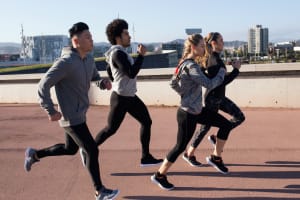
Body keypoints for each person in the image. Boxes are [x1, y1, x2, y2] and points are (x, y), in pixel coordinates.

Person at [24, 22, 119, 200]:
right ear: (76, 42)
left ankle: (34, 154)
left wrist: (102, 83)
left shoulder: (88, 59)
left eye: (91, 37)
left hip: (80, 114)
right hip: (69, 116)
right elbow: (43, 85)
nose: (91, 40)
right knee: (92, 149)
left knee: (70, 149)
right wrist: (50, 110)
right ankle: (99, 190)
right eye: (87, 37)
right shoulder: (65, 63)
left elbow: (94, 76)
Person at [151, 34, 234, 190]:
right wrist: (222, 73)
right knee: (179, 147)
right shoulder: (191, 66)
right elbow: (209, 83)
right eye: (202, 46)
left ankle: (216, 157)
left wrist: (185, 94)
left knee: (226, 125)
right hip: (188, 114)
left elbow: (172, 83)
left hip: (195, 110)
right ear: (194, 47)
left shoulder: (183, 63)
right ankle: (159, 175)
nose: (205, 48)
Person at [88, 18, 162, 167]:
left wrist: (116, 78)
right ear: (118, 37)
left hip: (128, 96)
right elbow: (131, 73)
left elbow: (111, 72)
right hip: (121, 98)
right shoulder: (117, 54)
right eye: (126, 33)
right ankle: (88, 149)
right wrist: (141, 55)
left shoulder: (116, 54)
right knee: (110, 129)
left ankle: (145, 157)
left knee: (146, 121)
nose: (130, 36)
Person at [183, 32, 245, 167]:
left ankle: (216, 138)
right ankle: (190, 153)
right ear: (213, 43)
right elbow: (221, 82)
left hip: (219, 97)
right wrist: (235, 70)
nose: (223, 42)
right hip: (213, 98)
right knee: (205, 127)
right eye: (221, 40)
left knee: (239, 117)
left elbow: (207, 72)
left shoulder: (213, 58)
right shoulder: (214, 59)